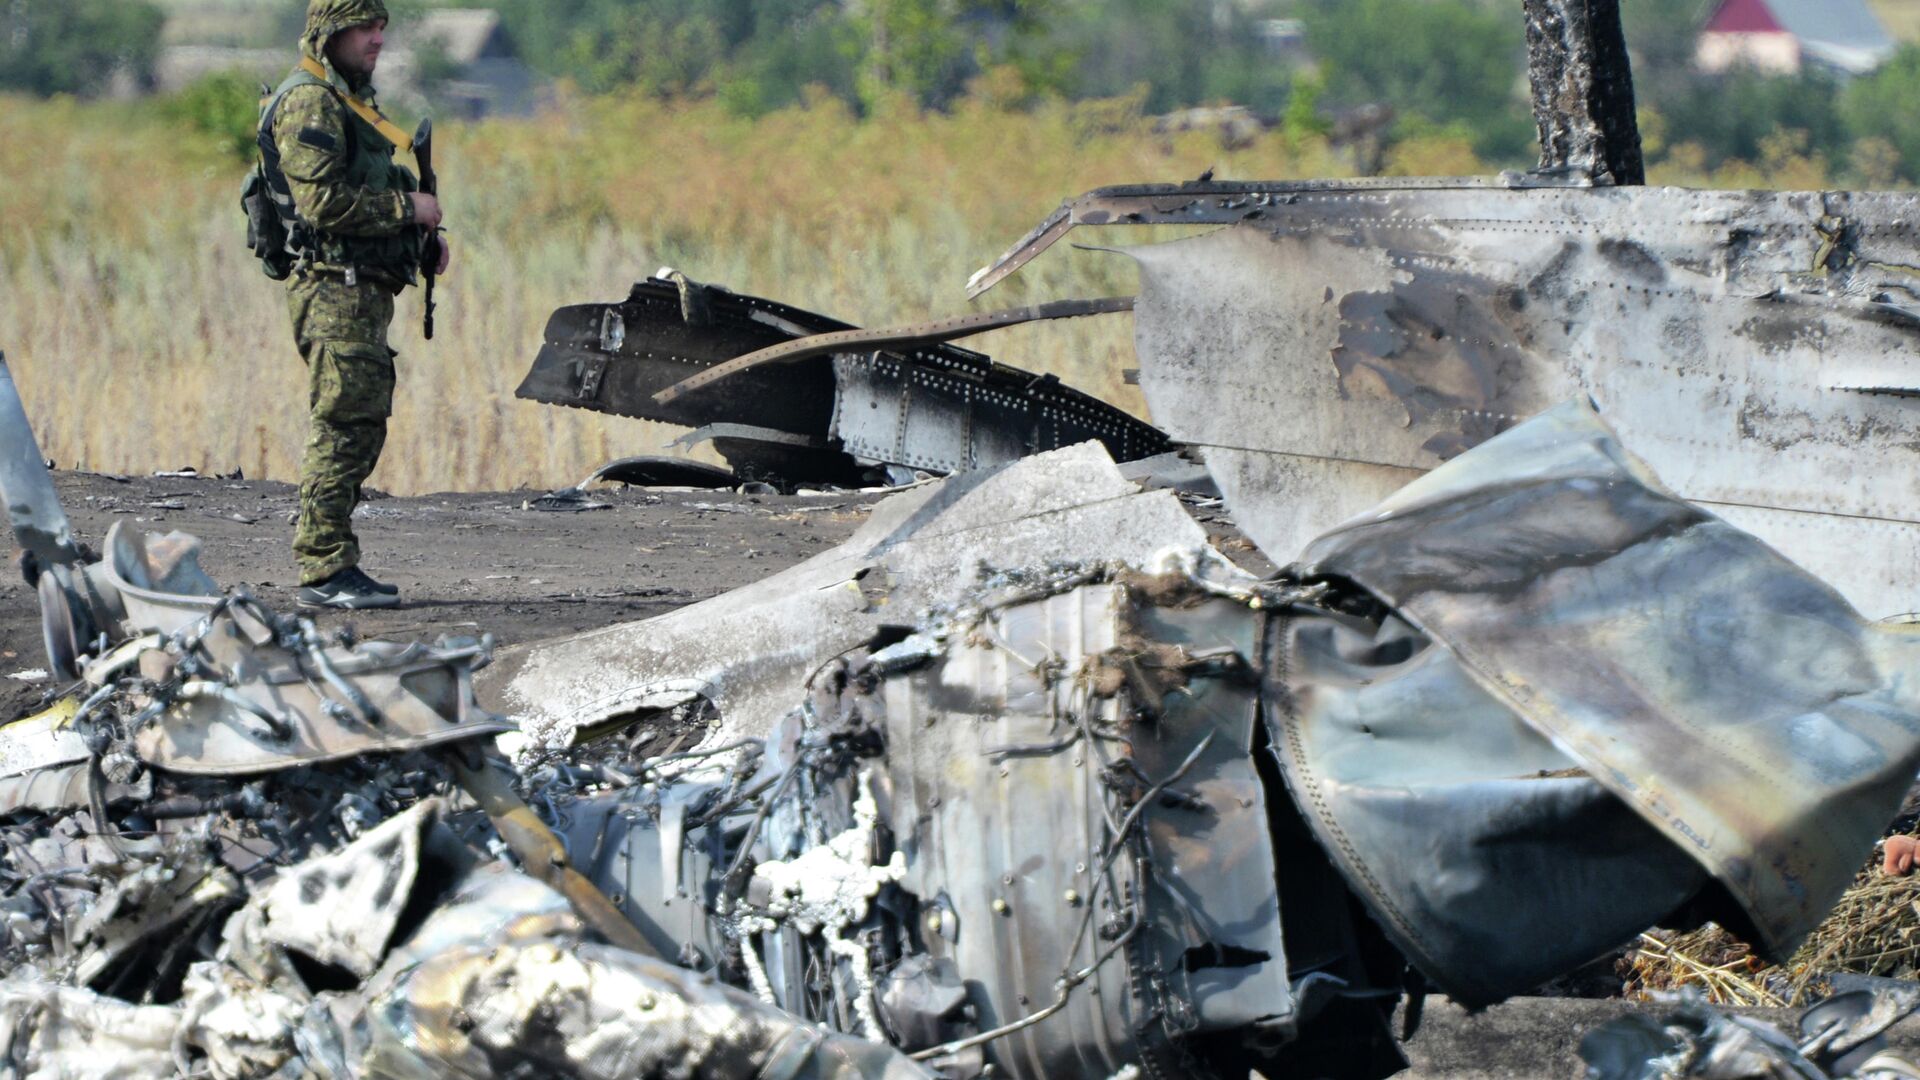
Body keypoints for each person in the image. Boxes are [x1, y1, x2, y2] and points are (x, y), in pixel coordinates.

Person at [264, 0, 449, 609]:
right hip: (332, 290)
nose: (377, 41)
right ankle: (323, 568)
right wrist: (408, 212)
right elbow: (322, 204)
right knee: (343, 425)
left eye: (381, 29)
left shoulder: (347, 99)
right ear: (331, 32)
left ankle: (330, 560)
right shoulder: (310, 101)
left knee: (358, 423)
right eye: (365, 29)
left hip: (359, 289)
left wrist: (422, 239)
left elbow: (371, 180)